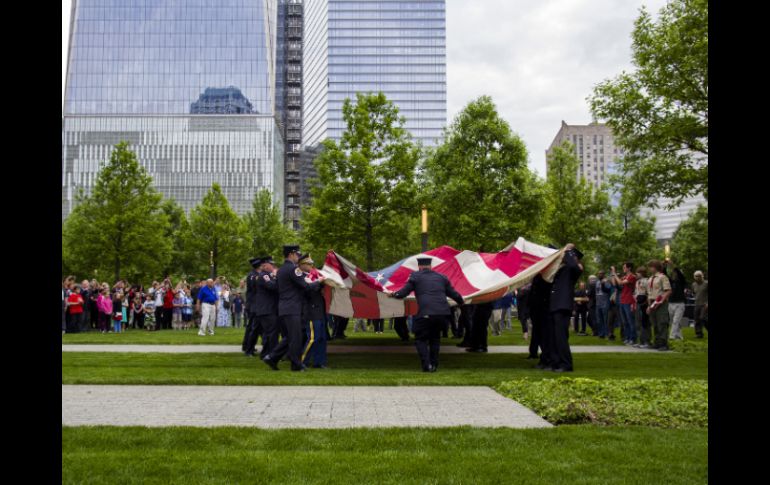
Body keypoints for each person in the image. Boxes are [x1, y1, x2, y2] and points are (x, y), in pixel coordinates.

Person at [388, 257, 464, 372]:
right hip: (442, 314)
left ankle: (426, 365)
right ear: (431, 266)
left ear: (419, 266)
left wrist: (394, 294)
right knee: (435, 339)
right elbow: (454, 294)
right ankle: (434, 365)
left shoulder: (415, 277)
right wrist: (461, 302)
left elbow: (403, 293)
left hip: (425, 313)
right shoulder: (442, 277)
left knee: (420, 339)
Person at [263, 245, 324, 371]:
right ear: (291, 254)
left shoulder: (281, 270)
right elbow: (305, 287)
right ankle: (296, 365)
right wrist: (319, 281)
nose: (298, 257)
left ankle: (272, 357)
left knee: (292, 336)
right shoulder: (293, 269)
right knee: (296, 337)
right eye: (297, 255)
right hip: (293, 308)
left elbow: (278, 287)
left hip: (285, 307)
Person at [546, 244, 584, 372]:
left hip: (563, 305)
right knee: (554, 336)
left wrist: (567, 251)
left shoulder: (574, 268)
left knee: (561, 337)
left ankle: (566, 364)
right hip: (556, 305)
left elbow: (573, 265)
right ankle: (556, 362)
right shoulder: (562, 268)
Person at [298, 254, 329, 369]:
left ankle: (319, 362)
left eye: (312, 263)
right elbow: (307, 290)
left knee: (321, 338)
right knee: (312, 338)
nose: (312, 266)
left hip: (319, 310)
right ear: (302, 265)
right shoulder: (301, 277)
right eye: (309, 264)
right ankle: (301, 361)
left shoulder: (314, 276)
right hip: (311, 311)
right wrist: (318, 282)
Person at [647, 260, 672, 351]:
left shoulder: (662, 277)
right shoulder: (650, 279)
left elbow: (668, 290)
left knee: (662, 322)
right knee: (655, 323)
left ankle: (664, 343)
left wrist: (661, 300)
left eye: (651, 266)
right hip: (652, 302)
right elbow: (649, 293)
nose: (649, 268)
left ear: (655, 267)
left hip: (661, 303)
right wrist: (649, 305)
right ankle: (657, 342)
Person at [530, 273, 553, 366]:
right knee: (539, 335)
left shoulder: (543, 280)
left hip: (542, 310)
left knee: (543, 335)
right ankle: (543, 357)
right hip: (537, 310)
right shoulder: (539, 280)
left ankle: (545, 358)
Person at [613, 262, 638, 345]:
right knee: (624, 321)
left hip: (629, 300)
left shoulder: (632, 276)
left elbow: (620, 283)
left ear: (629, 268)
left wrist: (614, 273)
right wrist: (614, 275)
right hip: (622, 300)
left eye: (624, 267)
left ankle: (633, 338)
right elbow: (616, 283)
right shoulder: (625, 276)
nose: (623, 268)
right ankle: (627, 337)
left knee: (630, 320)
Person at [665, 260, 687, 340]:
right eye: (673, 273)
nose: (674, 274)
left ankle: (672, 336)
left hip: (679, 303)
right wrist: (664, 266)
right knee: (674, 321)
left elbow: (681, 275)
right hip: (671, 303)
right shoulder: (670, 281)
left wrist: (672, 265)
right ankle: (679, 336)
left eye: (675, 273)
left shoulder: (682, 281)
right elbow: (664, 275)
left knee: (676, 320)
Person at [633, 267, 651, 348]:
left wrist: (648, 303)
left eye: (638, 273)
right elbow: (636, 292)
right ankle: (640, 341)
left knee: (645, 323)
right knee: (638, 323)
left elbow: (648, 293)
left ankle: (647, 341)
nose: (636, 274)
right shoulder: (637, 282)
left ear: (642, 273)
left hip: (644, 303)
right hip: (638, 303)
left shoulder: (647, 281)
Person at [594, 271, 612, 338]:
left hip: (605, 302)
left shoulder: (606, 281)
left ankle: (607, 333)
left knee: (605, 319)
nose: (599, 275)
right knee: (599, 319)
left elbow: (608, 290)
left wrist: (603, 284)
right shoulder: (597, 282)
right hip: (598, 303)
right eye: (599, 274)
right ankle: (601, 334)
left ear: (604, 275)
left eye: (601, 274)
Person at [692, 271, 708, 338]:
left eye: (699, 276)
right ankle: (699, 334)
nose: (698, 277)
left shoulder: (706, 283)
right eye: (696, 276)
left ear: (702, 276)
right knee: (696, 319)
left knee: (702, 318)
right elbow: (694, 293)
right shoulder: (693, 284)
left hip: (704, 304)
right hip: (697, 304)